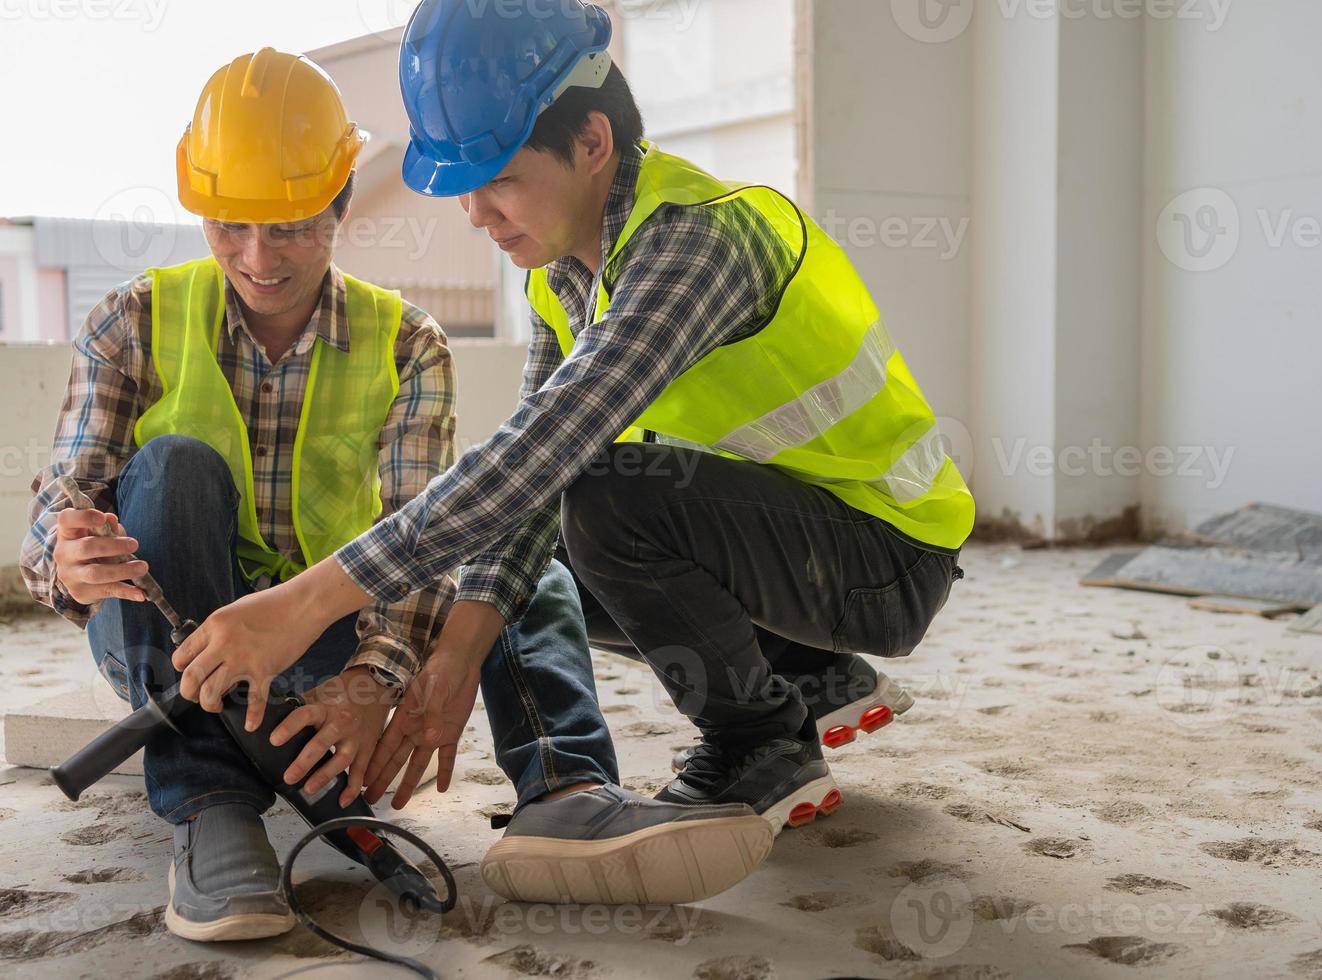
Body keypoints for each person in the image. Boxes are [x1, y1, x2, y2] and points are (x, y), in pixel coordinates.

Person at [172, 0, 972, 904]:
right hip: (794, 553)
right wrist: (457, 653)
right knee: (528, 556)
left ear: (591, 142)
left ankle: (763, 744)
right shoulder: (565, 272)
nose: (475, 213)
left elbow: (537, 455)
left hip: (887, 557)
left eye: (499, 179)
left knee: (599, 496)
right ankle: (806, 673)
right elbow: (517, 503)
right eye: (462, 185)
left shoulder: (698, 239)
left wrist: (299, 605)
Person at [21, 48, 468, 942]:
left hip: (314, 640)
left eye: (292, 226)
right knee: (176, 463)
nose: (258, 257)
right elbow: (58, 509)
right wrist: (63, 558)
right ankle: (211, 801)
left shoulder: (408, 345)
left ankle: (234, 770)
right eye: (229, 225)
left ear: (342, 204)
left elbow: (423, 542)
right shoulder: (131, 321)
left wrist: (369, 682)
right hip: (155, 635)